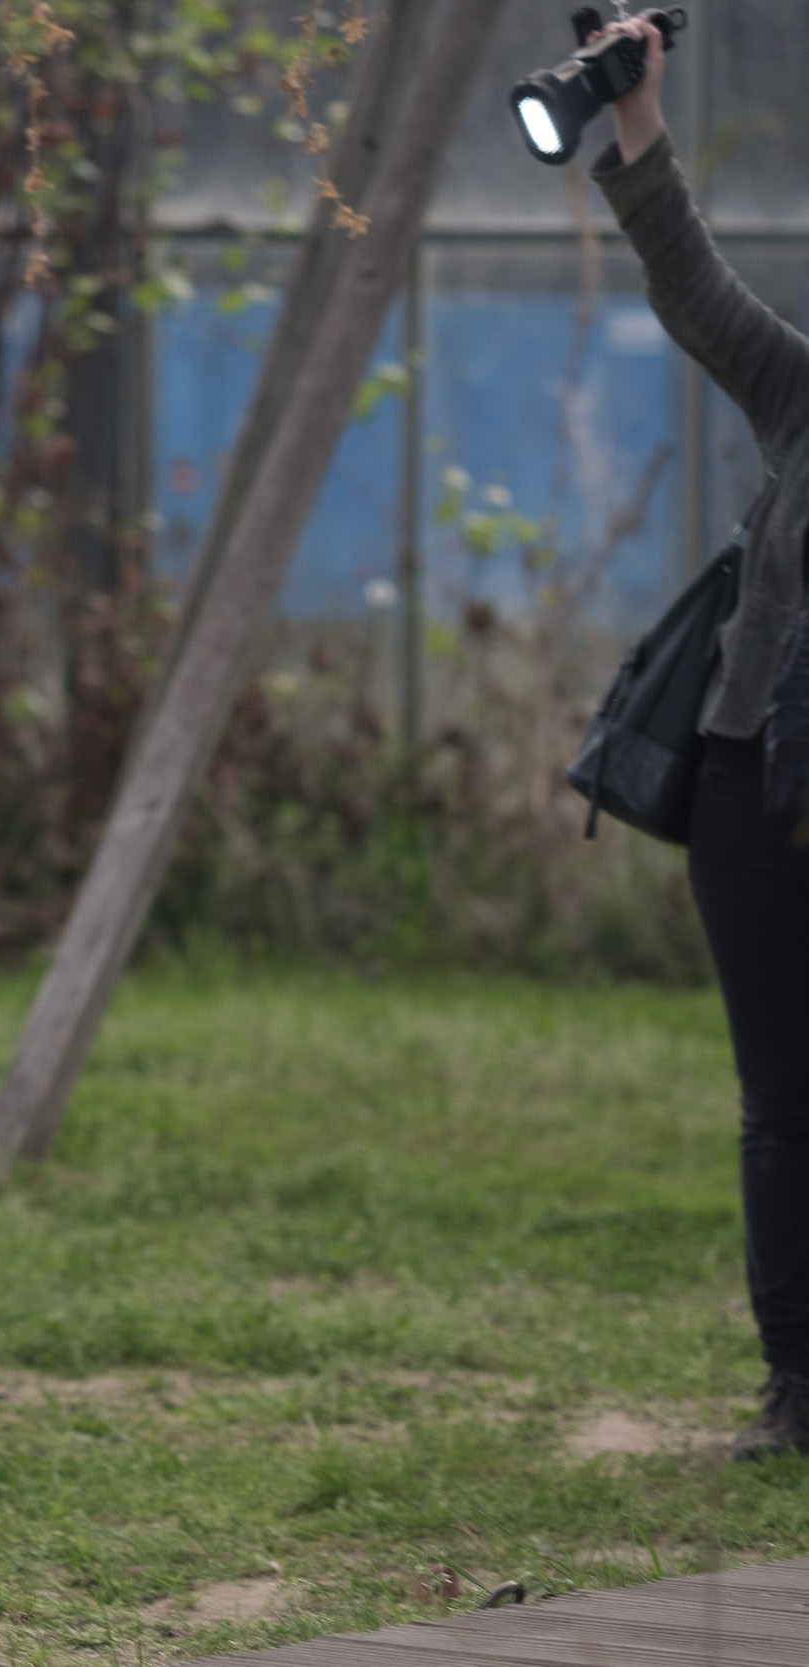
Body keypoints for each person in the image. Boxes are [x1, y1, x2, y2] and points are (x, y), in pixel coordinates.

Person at [592, 14, 809, 1461]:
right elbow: (692, 284)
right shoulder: (803, 394)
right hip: (758, 793)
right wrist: (638, 121)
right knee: (784, 1102)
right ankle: (800, 1387)